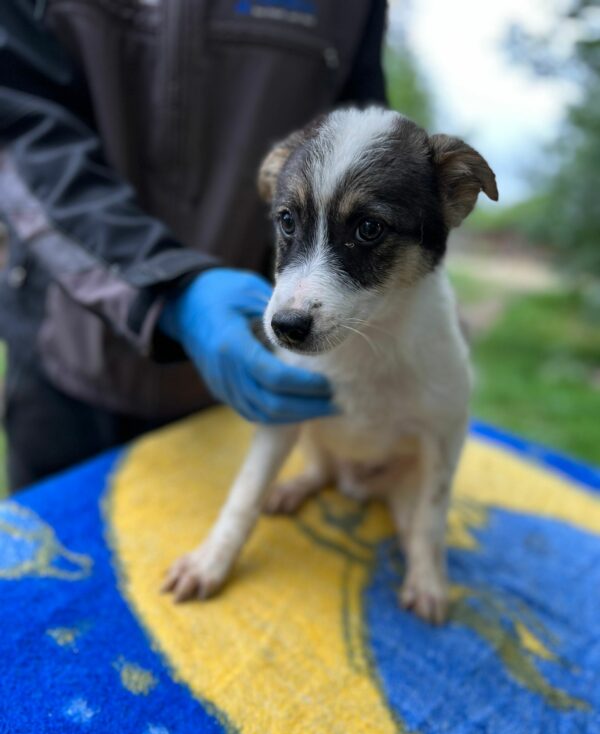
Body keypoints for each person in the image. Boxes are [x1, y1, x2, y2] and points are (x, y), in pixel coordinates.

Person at [0, 0, 387, 491]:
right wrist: (170, 288)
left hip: (235, 376)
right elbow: (17, 124)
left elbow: (362, 150)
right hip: (62, 358)